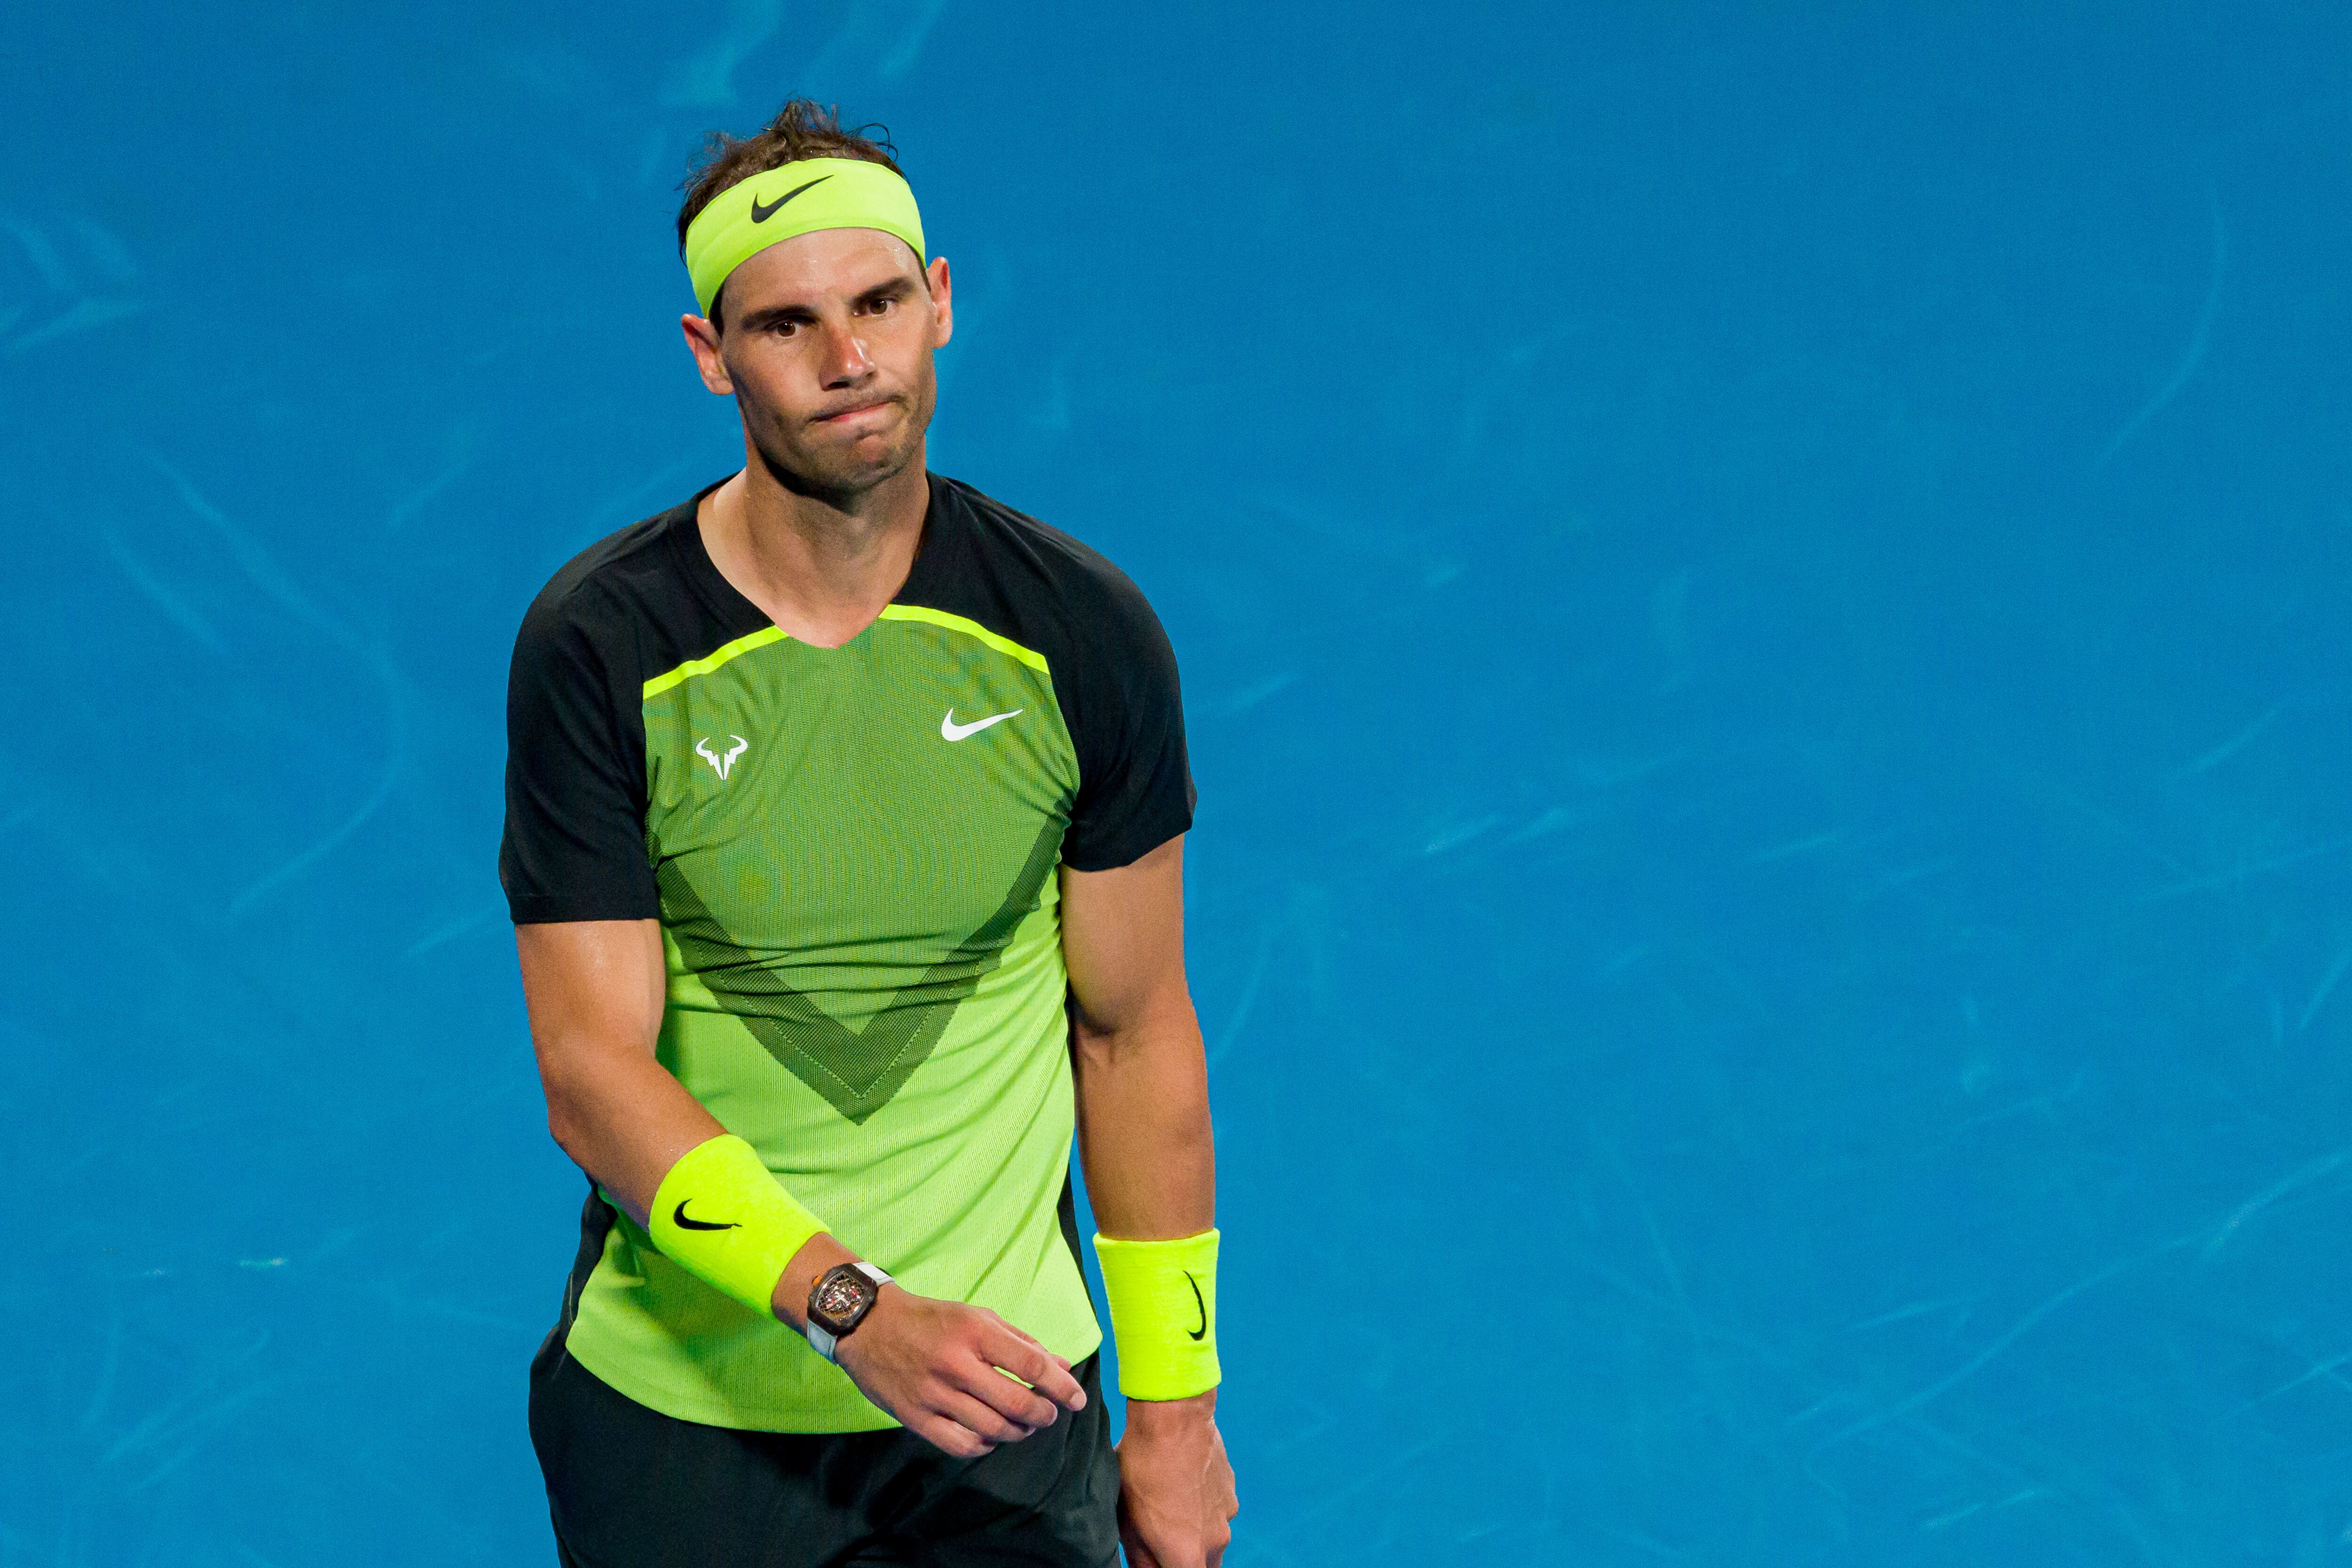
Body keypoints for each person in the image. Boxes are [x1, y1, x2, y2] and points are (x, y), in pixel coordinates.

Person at [498, 100, 1240, 1566]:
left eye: (882, 302)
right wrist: (853, 1311)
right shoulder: (604, 648)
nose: (850, 363)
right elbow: (593, 1071)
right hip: (685, 1423)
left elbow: (1135, 1031)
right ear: (712, 356)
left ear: (941, 303)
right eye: (787, 325)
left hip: (1006, 1417)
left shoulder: (1080, 635)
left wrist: (1172, 1410)